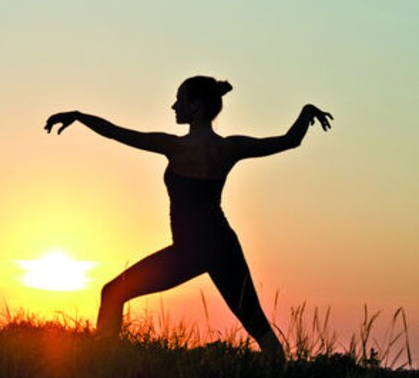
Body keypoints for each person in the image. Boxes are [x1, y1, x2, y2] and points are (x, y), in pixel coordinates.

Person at [44, 75, 333, 357]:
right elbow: (290, 141)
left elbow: (116, 133)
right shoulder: (230, 147)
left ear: (195, 107)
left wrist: (79, 116)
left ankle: (102, 363)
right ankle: (284, 376)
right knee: (258, 326)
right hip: (223, 246)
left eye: (179, 100)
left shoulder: (175, 147)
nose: (173, 106)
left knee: (112, 293)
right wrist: (307, 111)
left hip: (188, 251)